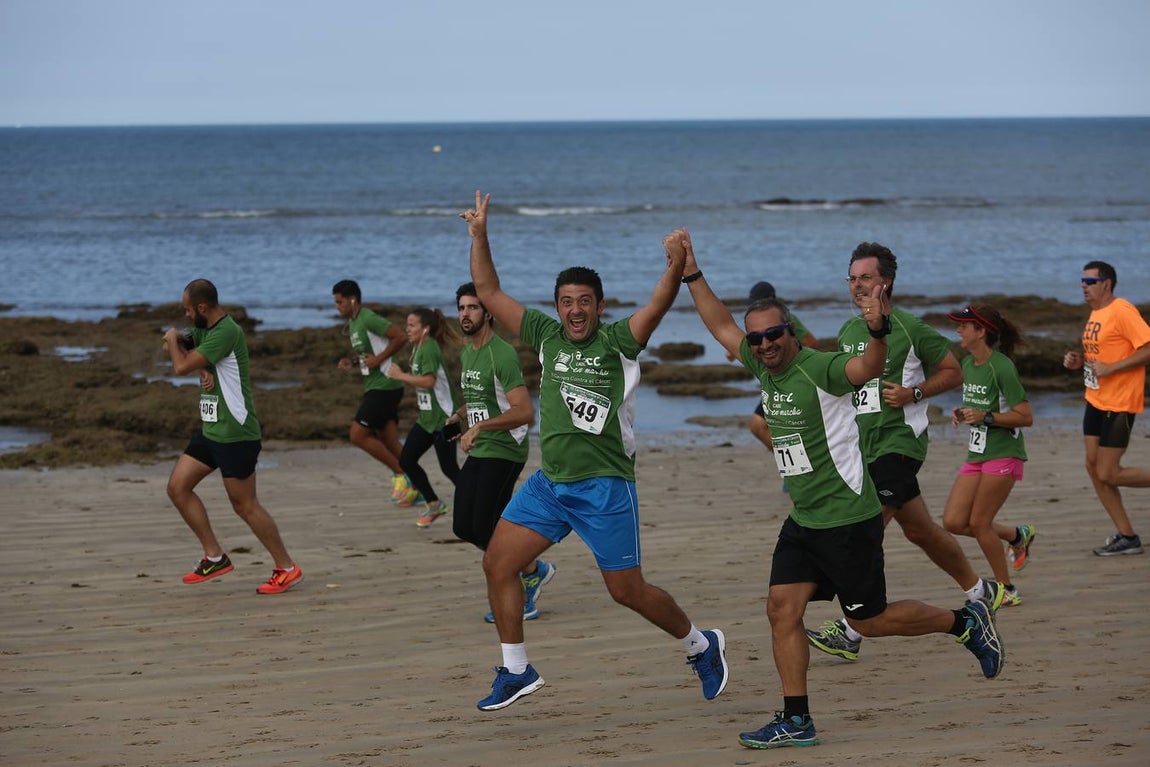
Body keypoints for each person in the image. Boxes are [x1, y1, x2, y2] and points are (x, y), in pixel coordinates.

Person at [678, 230, 1003, 749]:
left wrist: (878, 330)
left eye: (773, 335)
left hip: (848, 519)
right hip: (805, 518)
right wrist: (690, 271)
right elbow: (718, 322)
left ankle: (962, 622)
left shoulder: (819, 367)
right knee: (781, 608)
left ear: (791, 331)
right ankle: (797, 719)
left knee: (868, 622)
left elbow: (866, 368)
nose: (764, 344)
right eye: (756, 338)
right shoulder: (763, 366)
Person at [460, 192, 728, 711]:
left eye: (584, 301)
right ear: (557, 306)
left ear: (599, 307)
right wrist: (479, 235)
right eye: (566, 300)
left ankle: (701, 644)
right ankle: (517, 670)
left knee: (626, 591)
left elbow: (657, 305)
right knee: (497, 563)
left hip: (604, 487)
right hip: (549, 484)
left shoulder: (617, 342)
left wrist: (676, 264)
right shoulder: (544, 335)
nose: (575, 309)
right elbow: (489, 290)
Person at [805, 242, 1001, 664]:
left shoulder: (910, 328)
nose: (857, 286)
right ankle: (981, 590)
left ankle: (852, 630)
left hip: (899, 445)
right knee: (920, 529)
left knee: (865, 528)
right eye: (852, 279)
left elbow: (954, 370)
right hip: (862, 447)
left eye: (866, 278)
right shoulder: (847, 331)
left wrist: (915, 391)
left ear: (885, 283)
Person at [162, 278, 302, 594]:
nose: (185, 316)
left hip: (236, 433)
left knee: (245, 505)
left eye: (187, 309)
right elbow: (183, 349)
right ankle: (214, 556)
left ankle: (287, 567)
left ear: (201, 307)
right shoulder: (205, 331)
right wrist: (203, 366)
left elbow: (179, 364)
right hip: (212, 430)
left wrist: (175, 341)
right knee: (177, 488)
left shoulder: (225, 332)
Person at [448, 281, 554, 623]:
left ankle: (522, 592)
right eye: (462, 308)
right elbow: (483, 396)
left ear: (488, 312)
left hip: (506, 448)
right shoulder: (468, 353)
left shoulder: (502, 353)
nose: (465, 314)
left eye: (473, 307)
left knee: (484, 525)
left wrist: (479, 427)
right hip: (483, 447)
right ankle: (531, 567)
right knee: (465, 526)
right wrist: (461, 416)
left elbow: (524, 411)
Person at [942, 304, 1035, 606]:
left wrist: (987, 417)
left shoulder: (1002, 366)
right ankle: (1016, 536)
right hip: (978, 453)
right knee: (954, 522)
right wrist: (963, 412)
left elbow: (1025, 416)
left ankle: (1007, 588)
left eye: (964, 325)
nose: (958, 330)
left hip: (1005, 452)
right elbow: (979, 406)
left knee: (980, 523)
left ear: (980, 331)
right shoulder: (969, 363)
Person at [1063, 260, 1150, 556]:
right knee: (1093, 466)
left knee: (1109, 472)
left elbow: (1147, 348)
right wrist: (1079, 363)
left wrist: (1113, 368)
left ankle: (1128, 537)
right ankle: (1127, 536)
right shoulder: (1096, 313)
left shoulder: (1122, 310)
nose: (1083, 286)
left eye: (1089, 281)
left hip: (1120, 402)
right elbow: (1098, 359)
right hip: (1096, 399)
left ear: (1107, 284)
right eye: (1082, 281)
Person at [331, 280, 416, 506]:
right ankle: (418, 487)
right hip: (375, 385)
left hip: (386, 386)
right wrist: (351, 362)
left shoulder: (368, 318)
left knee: (357, 434)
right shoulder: (353, 323)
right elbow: (367, 354)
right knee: (389, 440)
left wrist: (378, 360)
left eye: (339, 302)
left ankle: (401, 476)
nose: (337, 307)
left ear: (352, 300)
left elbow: (400, 337)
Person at [385, 307, 462, 528]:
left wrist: (401, 376)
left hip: (446, 419)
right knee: (407, 460)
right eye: (407, 325)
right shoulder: (419, 347)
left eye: (411, 325)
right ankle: (434, 503)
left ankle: (480, 499)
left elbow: (429, 381)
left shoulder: (429, 348)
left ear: (425, 328)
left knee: (449, 468)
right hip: (428, 419)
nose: (407, 329)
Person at [744, 281, 817, 452]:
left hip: (795, 380)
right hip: (775, 381)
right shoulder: (758, 323)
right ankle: (790, 459)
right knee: (759, 425)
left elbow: (811, 342)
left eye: (773, 333)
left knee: (758, 423)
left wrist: (797, 362)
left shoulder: (787, 319)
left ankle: (796, 460)